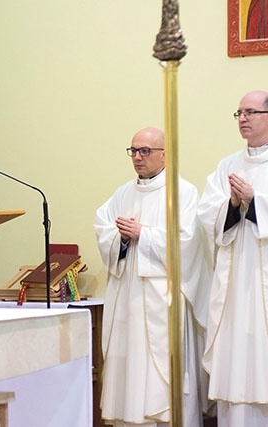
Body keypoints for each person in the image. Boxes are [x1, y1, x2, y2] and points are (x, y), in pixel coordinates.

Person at [198, 91, 268, 427]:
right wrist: (230, 205)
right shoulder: (228, 165)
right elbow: (206, 214)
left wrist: (257, 202)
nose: (242, 118)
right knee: (235, 369)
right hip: (233, 285)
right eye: (239, 112)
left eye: (251, 112)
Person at [94, 127, 210, 427]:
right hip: (128, 298)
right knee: (128, 373)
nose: (137, 157)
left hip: (163, 300)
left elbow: (189, 242)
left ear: (164, 154)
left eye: (145, 151)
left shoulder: (182, 192)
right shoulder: (123, 193)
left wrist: (143, 234)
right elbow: (103, 225)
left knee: (163, 379)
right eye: (133, 150)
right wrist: (119, 238)